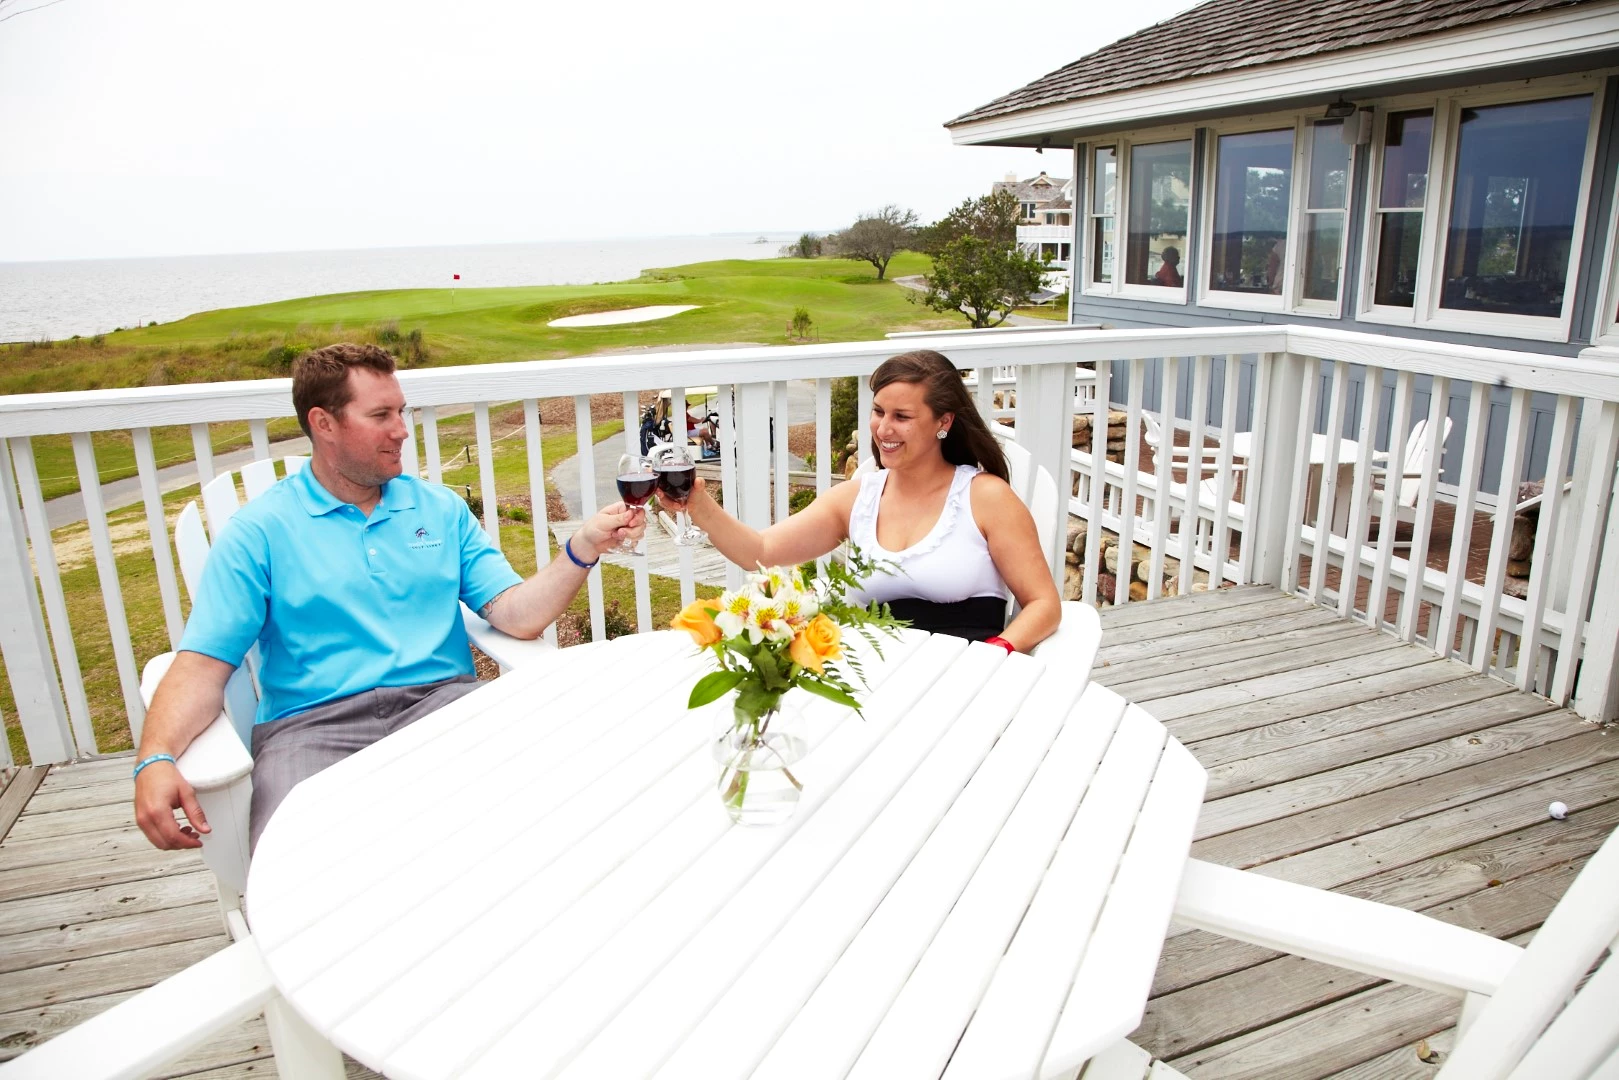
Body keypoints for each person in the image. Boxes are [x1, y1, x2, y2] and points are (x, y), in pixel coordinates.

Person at [133, 343, 643, 853]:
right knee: (295, 859)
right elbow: (202, 666)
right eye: (381, 415)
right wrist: (155, 758)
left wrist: (583, 547)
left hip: (444, 706)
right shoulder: (258, 534)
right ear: (323, 423)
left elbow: (515, 615)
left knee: (559, 812)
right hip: (312, 731)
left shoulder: (439, 509)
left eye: (402, 411)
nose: (402, 429)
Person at [663, 350, 1060, 650]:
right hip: (871, 680)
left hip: (965, 676)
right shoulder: (859, 498)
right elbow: (762, 551)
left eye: (902, 416)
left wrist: (994, 655)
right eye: (878, 411)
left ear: (944, 422)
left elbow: (1043, 603)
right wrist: (700, 506)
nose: (883, 428)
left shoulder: (985, 497)